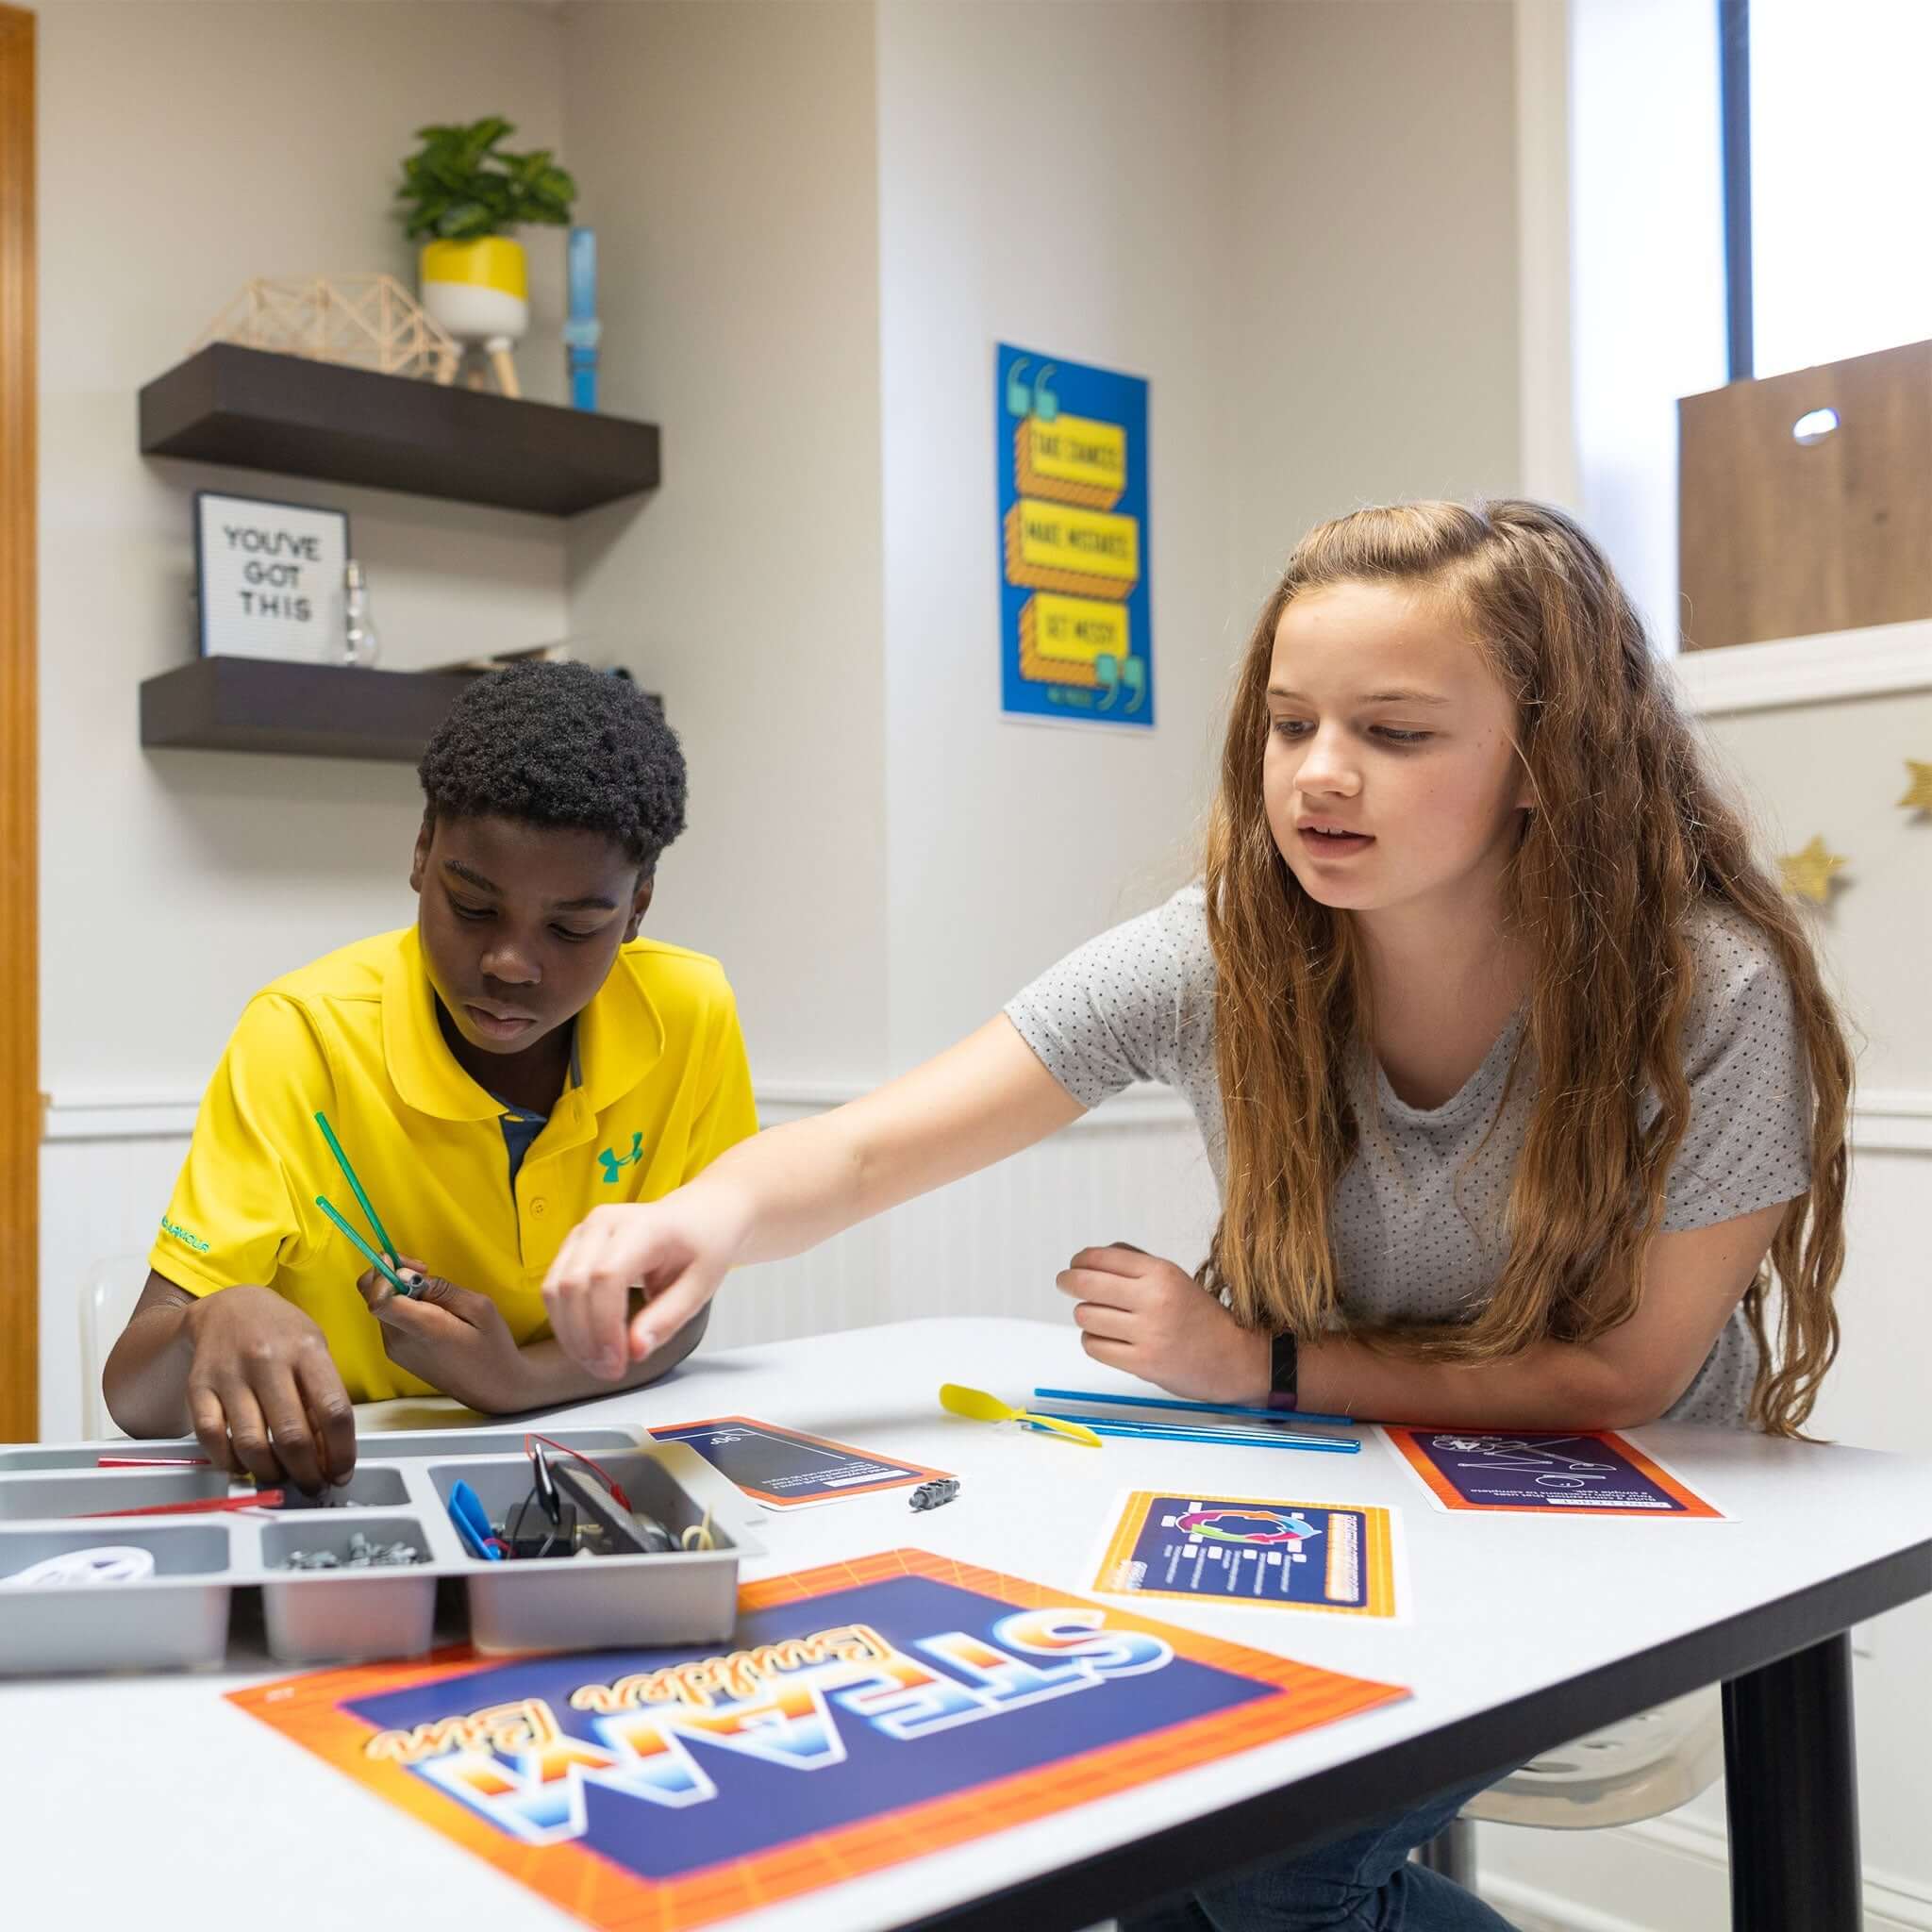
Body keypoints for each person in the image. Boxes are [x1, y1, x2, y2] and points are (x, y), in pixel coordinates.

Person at [541, 501, 1851, 1927]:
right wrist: (704, 1212)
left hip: (1641, 1503)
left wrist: (1256, 1365)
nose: (1321, 777)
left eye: (1397, 735)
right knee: (1157, 1829)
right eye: (1291, 726)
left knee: (1268, 1877)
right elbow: (871, 1151)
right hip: (1362, 1482)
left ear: (1552, 754)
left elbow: (1626, 1377)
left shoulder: (1708, 990)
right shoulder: (1227, 943)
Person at [104, 663, 757, 1494]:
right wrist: (208, 1321)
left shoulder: (689, 1012)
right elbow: (132, 1390)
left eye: (573, 927)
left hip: (584, 1467)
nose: (513, 964)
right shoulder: (304, 1035)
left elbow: (678, 1312)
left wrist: (516, 1384)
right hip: (340, 1479)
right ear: (422, 853)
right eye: (474, 909)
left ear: (637, 910)